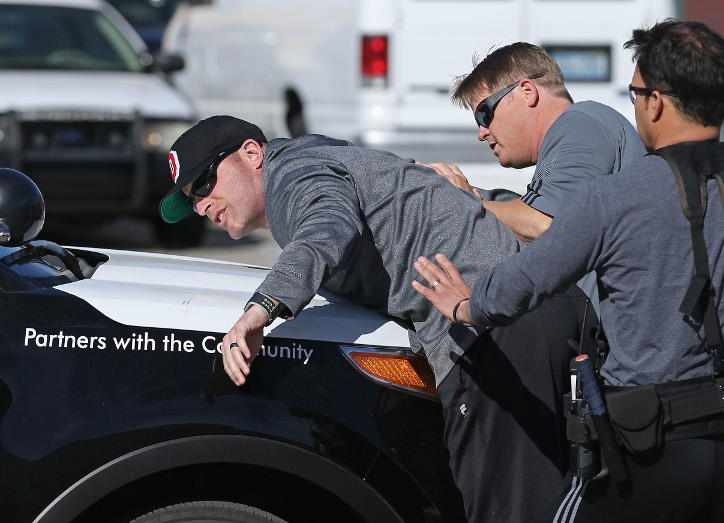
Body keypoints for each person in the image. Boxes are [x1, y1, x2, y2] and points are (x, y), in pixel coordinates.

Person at [412, 20, 724, 522]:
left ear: (655, 102)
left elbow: (526, 282)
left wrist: (466, 304)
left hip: (650, 451)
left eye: (635, 93)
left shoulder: (616, 198)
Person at [158, 115, 598, 522]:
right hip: (521, 313)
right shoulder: (319, 158)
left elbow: (327, 226)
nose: (200, 205)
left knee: (508, 509)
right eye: (190, 201)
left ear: (252, 154)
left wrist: (261, 310)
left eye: (203, 182)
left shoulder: (291, 175)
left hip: (498, 324)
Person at [424, 42, 644, 318]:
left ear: (527, 91)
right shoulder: (573, 133)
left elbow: (548, 225)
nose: (482, 132)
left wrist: (464, 200)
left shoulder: (580, 122)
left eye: (484, 113)